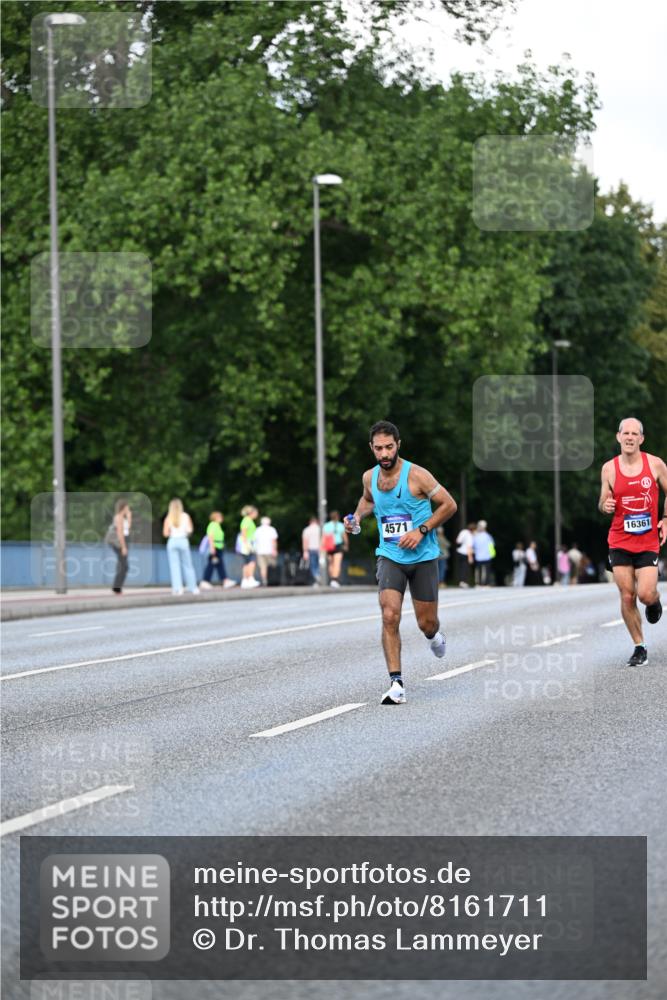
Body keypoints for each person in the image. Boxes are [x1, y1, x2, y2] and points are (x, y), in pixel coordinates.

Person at [345, 420, 457, 705]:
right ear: (371, 448)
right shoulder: (369, 477)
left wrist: (421, 531)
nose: (384, 454)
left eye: (389, 447)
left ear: (398, 445)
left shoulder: (418, 475)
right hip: (390, 555)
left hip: (423, 557)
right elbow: (368, 500)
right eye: (379, 448)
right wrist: (356, 517)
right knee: (389, 615)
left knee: (426, 623)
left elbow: (449, 505)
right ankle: (396, 684)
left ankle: (434, 636)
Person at [598, 417, 666, 666]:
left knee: (645, 594)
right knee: (627, 596)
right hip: (619, 540)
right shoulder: (609, 468)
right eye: (625, 433)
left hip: (647, 541)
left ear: (641, 439)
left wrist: (665, 519)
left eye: (634, 433)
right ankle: (639, 647)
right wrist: (605, 505)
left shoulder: (655, 464)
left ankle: (654, 601)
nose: (629, 437)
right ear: (618, 437)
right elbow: (602, 501)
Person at [162, 498, 199, 595]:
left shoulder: (168, 517)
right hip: (183, 541)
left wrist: (172, 532)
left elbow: (165, 533)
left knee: (174, 566)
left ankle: (178, 588)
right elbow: (190, 530)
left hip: (172, 541)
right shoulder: (186, 516)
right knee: (188, 565)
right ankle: (193, 587)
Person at [199, 511, 236, 590]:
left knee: (218, 564)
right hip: (215, 547)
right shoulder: (213, 525)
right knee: (212, 564)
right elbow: (210, 536)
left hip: (218, 547)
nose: (222, 518)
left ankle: (224, 580)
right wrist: (212, 548)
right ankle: (205, 580)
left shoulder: (217, 525)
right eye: (220, 517)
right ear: (215, 517)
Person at [108, 497, 131, 595]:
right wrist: (123, 547)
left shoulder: (123, 518)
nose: (128, 509)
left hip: (123, 541)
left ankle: (117, 587)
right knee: (124, 566)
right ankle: (116, 587)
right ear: (123, 507)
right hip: (119, 543)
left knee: (122, 565)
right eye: (127, 507)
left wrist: (129, 517)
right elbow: (120, 533)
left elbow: (127, 529)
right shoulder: (119, 517)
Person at [322, 510, 347, 588]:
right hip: (338, 545)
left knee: (331, 564)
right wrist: (346, 545)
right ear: (337, 517)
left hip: (329, 546)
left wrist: (322, 548)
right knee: (337, 563)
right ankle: (334, 580)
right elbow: (344, 536)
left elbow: (324, 537)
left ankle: (332, 580)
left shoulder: (326, 525)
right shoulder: (340, 525)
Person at [238, 505, 261, 589]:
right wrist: (246, 544)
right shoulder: (247, 521)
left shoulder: (247, 520)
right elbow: (244, 533)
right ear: (252, 513)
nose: (257, 514)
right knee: (251, 561)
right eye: (256, 512)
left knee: (246, 562)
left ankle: (245, 580)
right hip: (248, 543)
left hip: (247, 543)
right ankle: (250, 579)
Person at [254, 516, 279, 586]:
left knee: (263, 567)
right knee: (272, 566)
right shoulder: (272, 529)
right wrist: (275, 550)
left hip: (260, 551)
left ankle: (264, 580)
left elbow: (255, 541)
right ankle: (272, 579)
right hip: (270, 550)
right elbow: (274, 541)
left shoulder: (257, 530)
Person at [472, 519, 495, 587]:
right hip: (487, 555)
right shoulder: (488, 536)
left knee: (479, 570)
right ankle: (486, 583)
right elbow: (492, 544)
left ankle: (479, 583)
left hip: (479, 556)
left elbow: (473, 545)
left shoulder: (476, 536)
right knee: (486, 570)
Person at [302, 515, 321, 585]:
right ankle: (320, 577)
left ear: (310, 522)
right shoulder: (320, 529)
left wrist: (305, 551)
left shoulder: (306, 530)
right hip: (320, 550)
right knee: (320, 565)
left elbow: (305, 541)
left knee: (313, 565)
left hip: (311, 549)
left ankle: (316, 577)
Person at [455, 522, 475, 588]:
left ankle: (461, 581)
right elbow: (469, 547)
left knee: (461, 567)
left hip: (459, 552)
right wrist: (470, 557)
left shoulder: (463, 531)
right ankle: (464, 582)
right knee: (465, 568)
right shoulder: (470, 535)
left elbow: (458, 541)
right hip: (466, 553)